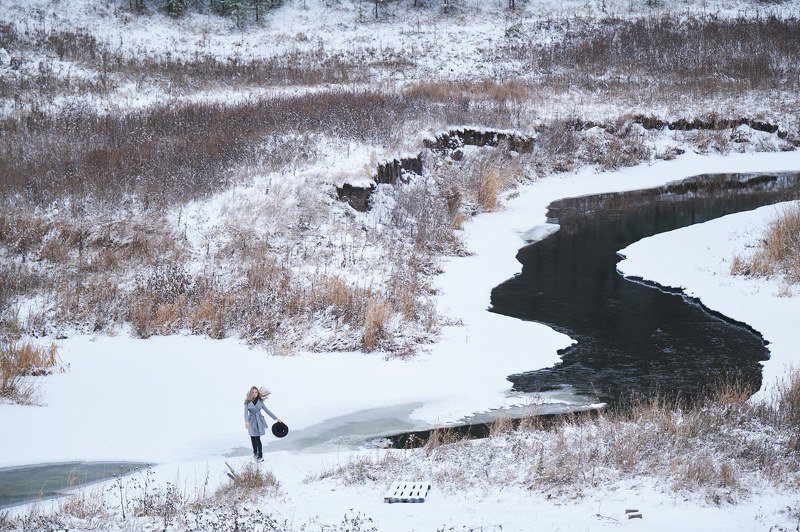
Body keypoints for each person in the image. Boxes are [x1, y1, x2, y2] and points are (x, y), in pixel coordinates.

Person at [244, 385, 280, 461]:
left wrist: (276, 418)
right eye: (253, 392)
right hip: (251, 421)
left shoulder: (260, 401)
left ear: (257, 393)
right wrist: (246, 421)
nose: (254, 394)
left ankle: (260, 456)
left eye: (256, 392)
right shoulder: (247, 402)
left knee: (257, 438)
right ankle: (255, 453)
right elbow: (245, 413)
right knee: (252, 438)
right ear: (251, 393)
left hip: (259, 420)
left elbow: (267, 410)